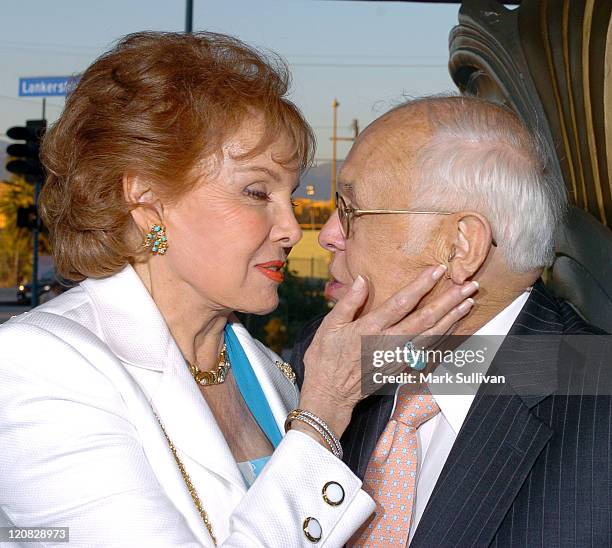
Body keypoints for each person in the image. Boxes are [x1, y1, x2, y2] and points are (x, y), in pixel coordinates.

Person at [0, 34, 478, 547]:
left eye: (289, 196)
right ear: (146, 201)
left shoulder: (266, 369)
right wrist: (322, 413)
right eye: (257, 192)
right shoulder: (38, 365)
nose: (292, 229)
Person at [292, 95, 610, 547]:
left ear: (462, 246)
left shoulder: (599, 410)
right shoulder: (320, 364)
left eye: (350, 212)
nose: (327, 236)